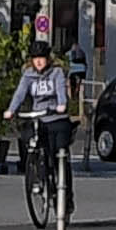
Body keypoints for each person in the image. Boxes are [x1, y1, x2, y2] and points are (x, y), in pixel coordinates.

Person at [16, 44, 77, 194]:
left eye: (41, 58)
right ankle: (37, 175)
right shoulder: (28, 74)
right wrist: (11, 110)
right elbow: (20, 94)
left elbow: (61, 91)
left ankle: (66, 194)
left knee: (59, 153)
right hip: (37, 117)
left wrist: (62, 104)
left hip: (56, 117)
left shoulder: (56, 72)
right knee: (31, 141)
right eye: (35, 58)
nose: (38, 61)